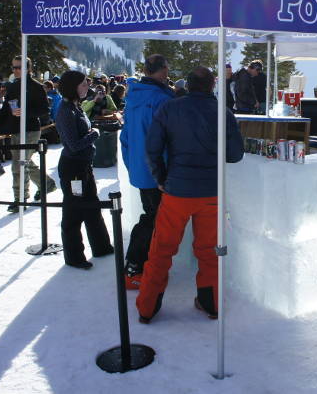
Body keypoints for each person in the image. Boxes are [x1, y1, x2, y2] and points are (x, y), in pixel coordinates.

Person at [136, 66, 244, 323]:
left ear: (187, 85)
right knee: (210, 251)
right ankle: (211, 304)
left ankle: (147, 308)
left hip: (177, 191)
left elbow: (152, 148)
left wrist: (161, 179)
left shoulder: (170, 108)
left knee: (161, 249)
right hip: (210, 192)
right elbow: (235, 154)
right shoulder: (222, 112)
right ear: (211, 86)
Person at [120, 54, 174, 288]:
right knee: (152, 219)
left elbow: (125, 137)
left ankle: (142, 265)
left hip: (142, 169)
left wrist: (133, 165)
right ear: (162, 71)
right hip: (157, 170)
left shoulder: (134, 96)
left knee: (152, 216)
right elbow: (167, 139)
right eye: (166, 70)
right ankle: (133, 267)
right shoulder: (161, 98)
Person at [54, 70, 114, 269]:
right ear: (73, 87)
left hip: (83, 166)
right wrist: (95, 133)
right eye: (83, 84)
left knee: (92, 207)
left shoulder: (75, 107)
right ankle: (74, 257)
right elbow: (73, 144)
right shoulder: (65, 110)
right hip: (73, 169)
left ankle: (102, 246)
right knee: (73, 212)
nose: (87, 87)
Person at [0, 55, 57, 212]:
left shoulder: (36, 86)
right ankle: (46, 184)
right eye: (13, 67)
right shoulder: (13, 86)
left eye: (18, 67)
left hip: (30, 129)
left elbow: (44, 110)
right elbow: (6, 108)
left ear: (28, 69)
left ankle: (20, 198)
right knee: (24, 161)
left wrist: (26, 112)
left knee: (19, 164)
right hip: (15, 129)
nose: (15, 70)